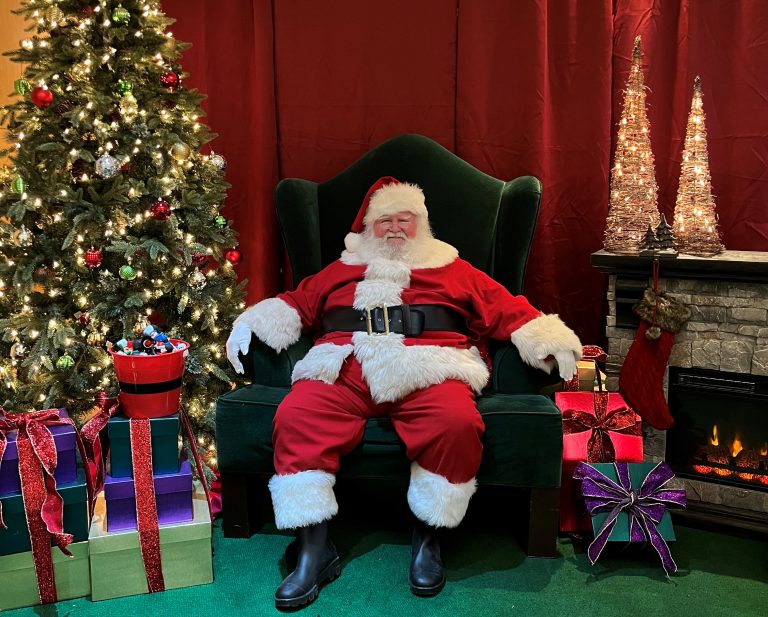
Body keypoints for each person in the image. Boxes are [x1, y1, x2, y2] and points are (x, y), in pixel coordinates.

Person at [226, 176, 581, 609]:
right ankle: (314, 549)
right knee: (296, 415)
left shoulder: (453, 267)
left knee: (455, 422)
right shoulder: (341, 269)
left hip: (429, 366)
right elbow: (297, 304)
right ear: (369, 228)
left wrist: (549, 339)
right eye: (385, 221)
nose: (394, 228)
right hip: (345, 364)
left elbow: (505, 307)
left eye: (405, 220)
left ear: (421, 225)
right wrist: (251, 324)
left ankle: (428, 536)